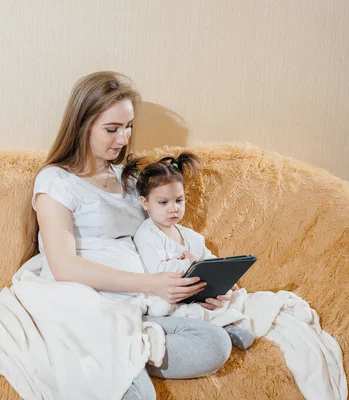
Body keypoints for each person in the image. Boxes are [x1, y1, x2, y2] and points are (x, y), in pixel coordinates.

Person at [30, 71, 231, 400]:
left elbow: (163, 239)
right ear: (83, 125)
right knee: (138, 395)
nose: (122, 139)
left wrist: (196, 287)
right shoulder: (56, 181)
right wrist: (153, 284)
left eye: (128, 127)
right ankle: (117, 352)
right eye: (112, 129)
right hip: (87, 306)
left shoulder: (132, 179)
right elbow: (64, 266)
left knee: (215, 343)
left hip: (140, 307)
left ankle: (130, 348)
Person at [122, 152, 255, 351]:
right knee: (178, 310)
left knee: (230, 298)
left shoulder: (190, 235)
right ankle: (225, 328)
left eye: (179, 200)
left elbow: (208, 258)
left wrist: (225, 277)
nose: (173, 208)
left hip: (197, 289)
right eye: (163, 202)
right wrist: (191, 263)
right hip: (170, 294)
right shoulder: (147, 233)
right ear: (145, 203)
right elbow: (158, 269)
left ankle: (229, 321)